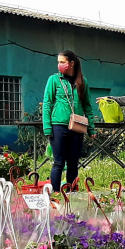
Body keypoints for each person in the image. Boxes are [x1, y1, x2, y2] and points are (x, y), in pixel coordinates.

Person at [42, 50, 95, 192]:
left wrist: (91, 129)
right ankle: (55, 193)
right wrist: (47, 127)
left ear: (72, 63)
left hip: (77, 127)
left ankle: (71, 192)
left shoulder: (83, 82)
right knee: (58, 162)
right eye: (58, 62)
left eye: (62, 62)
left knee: (73, 163)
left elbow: (87, 106)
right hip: (58, 126)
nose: (59, 65)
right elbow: (47, 103)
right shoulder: (54, 80)